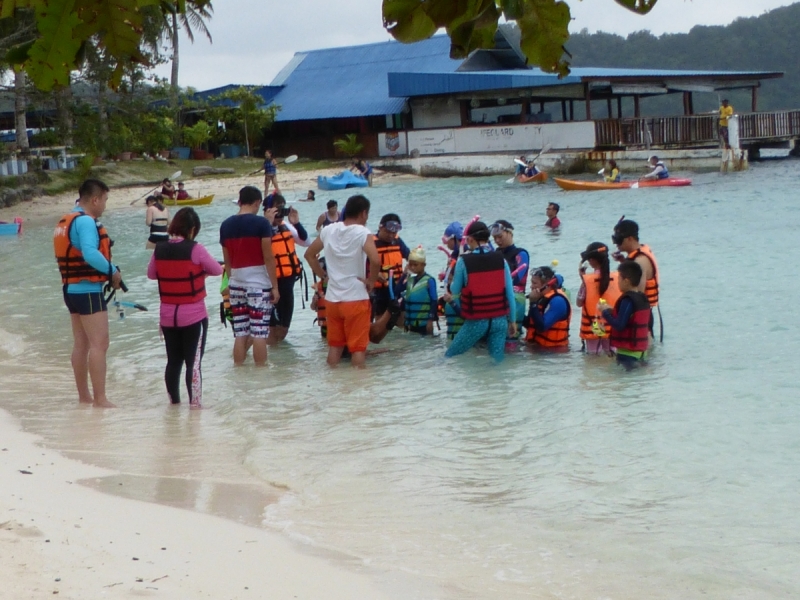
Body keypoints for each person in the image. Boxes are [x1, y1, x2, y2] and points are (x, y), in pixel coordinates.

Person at [54, 178, 122, 408]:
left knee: (81, 343)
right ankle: (100, 399)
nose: (104, 205)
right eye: (104, 200)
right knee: (99, 344)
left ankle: (84, 397)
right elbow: (90, 254)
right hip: (88, 290)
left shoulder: (69, 219)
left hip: (71, 289)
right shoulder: (85, 222)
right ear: (95, 199)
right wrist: (113, 272)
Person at [147, 207, 222, 408]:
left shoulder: (159, 248)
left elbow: (151, 274)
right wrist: (200, 273)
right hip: (193, 316)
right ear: (193, 229)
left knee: (173, 362)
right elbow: (216, 269)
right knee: (193, 363)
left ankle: (174, 404)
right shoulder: (195, 249)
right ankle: (195, 406)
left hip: (168, 316)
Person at [304, 194, 380, 368]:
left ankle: (333, 387)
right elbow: (375, 260)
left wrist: (323, 276)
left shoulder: (329, 230)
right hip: (355, 298)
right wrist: (371, 281)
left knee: (335, 348)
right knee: (358, 349)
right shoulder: (363, 232)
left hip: (332, 299)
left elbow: (309, 255)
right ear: (363, 213)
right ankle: (358, 390)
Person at [219, 186, 280, 366]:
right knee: (259, 333)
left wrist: (232, 280)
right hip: (258, 284)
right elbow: (268, 257)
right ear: (257, 202)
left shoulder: (225, 225)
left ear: (239, 201)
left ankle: (239, 370)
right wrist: (275, 287)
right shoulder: (261, 224)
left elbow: (227, 261)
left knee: (240, 332)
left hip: (236, 283)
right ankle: (261, 375)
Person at [444, 221, 516, 363]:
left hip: (477, 322)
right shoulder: (501, 260)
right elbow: (510, 294)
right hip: (499, 321)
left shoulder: (463, 261)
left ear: (470, 239)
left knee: (449, 357)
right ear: (488, 239)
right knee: (497, 361)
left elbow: (454, 290)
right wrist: (512, 321)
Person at [263, 194, 311, 344]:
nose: (280, 214)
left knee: (283, 328)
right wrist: (269, 224)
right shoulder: (260, 228)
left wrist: (296, 223)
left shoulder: (287, 226)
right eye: (277, 210)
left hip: (287, 282)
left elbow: (306, 241)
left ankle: (278, 363)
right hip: (269, 284)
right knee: (271, 327)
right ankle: (269, 355)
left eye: (282, 209)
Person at [601, 261, 651, 370]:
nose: (617, 281)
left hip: (628, 355)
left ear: (626, 281)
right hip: (642, 353)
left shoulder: (627, 300)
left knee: (623, 385)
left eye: (619, 278)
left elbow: (619, 325)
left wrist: (604, 312)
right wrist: (611, 311)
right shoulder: (643, 298)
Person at [576, 242, 621, 355]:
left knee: (594, 357)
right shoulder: (618, 277)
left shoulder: (588, 280)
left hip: (595, 323)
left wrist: (583, 279)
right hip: (612, 323)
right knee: (612, 354)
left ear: (592, 260)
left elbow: (579, 302)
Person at [611, 219, 659, 310]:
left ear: (630, 239)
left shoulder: (640, 261)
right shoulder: (640, 253)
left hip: (643, 314)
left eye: (619, 240)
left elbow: (637, 296)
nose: (615, 243)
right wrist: (624, 262)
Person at [490, 220, 529, 333]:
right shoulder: (495, 254)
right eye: (495, 238)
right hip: (498, 299)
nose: (497, 241)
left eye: (500, 236)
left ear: (510, 233)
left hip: (516, 299)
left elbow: (517, 278)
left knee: (512, 338)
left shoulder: (521, 254)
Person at [372, 213, 410, 318]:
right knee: (381, 321)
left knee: (402, 319)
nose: (391, 236)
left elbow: (410, 257)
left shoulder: (397, 241)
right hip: (380, 291)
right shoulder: (371, 243)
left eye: (394, 233)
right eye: (387, 232)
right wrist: (374, 274)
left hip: (397, 287)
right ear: (380, 227)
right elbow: (361, 264)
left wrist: (410, 268)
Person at [524, 266, 571, 350]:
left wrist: (533, 304)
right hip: (538, 348)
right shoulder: (540, 297)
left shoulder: (558, 301)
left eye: (534, 283)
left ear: (546, 285)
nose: (531, 287)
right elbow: (530, 324)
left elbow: (542, 327)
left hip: (553, 354)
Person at [402, 246, 438, 335]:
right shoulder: (409, 280)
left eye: (415, 265)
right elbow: (398, 291)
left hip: (424, 324)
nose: (413, 267)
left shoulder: (429, 280)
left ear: (423, 265)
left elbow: (434, 301)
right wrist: (404, 274)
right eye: (410, 265)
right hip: (411, 324)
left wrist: (430, 320)